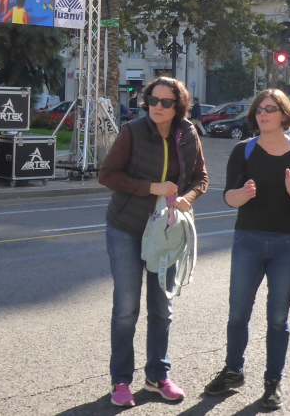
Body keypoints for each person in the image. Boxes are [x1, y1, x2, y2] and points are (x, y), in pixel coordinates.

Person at [204, 88, 290, 410]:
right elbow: (229, 197)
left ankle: (273, 382)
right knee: (238, 313)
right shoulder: (243, 150)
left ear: (285, 114)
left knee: (277, 318)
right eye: (259, 109)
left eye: (270, 109)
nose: (263, 114)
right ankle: (233, 371)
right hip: (249, 240)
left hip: (289, 244)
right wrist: (241, 194)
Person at [98, 77, 208, 407]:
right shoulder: (132, 131)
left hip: (166, 231)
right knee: (126, 308)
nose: (157, 107)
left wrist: (187, 198)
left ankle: (158, 377)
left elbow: (201, 178)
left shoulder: (188, 133)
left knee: (162, 307)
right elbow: (107, 175)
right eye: (153, 100)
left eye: (166, 102)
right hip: (127, 227)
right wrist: (151, 187)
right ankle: (120, 380)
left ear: (179, 106)